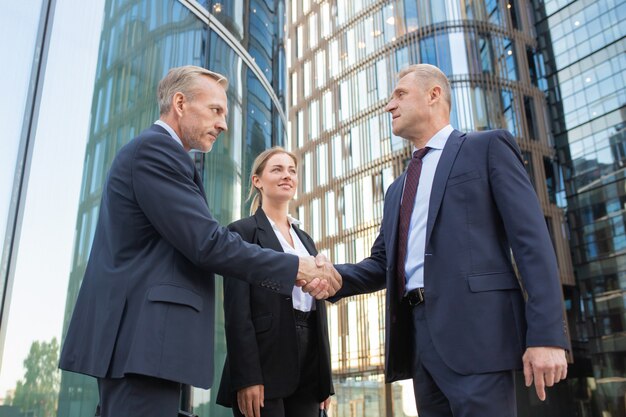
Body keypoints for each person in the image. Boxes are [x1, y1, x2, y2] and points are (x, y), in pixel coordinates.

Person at [58, 66, 340, 417]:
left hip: (149, 347)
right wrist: (296, 266)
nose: (223, 124)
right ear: (180, 103)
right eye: (216, 110)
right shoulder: (156, 152)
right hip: (140, 345)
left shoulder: (165, 155)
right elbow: (207, 243)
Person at [326, 64, 568, 417]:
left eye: (400, 95)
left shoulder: (487, 147)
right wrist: (332, 278)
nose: (389, 106)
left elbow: (531, 242)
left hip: (479, 336)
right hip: (420, 343)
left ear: (434, 94)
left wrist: (546, 335)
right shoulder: (397, 189)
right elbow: (383, 263)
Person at [216, 147, 333, 417]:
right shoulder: (242, 233)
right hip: (264, 360)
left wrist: (324, 377)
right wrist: (246, 377)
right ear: (257, 181)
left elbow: (318, 312)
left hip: (308, 363)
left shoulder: (306, 241)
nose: (287, 176)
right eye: (277, 169)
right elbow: (237, 313)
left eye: (292, 170)